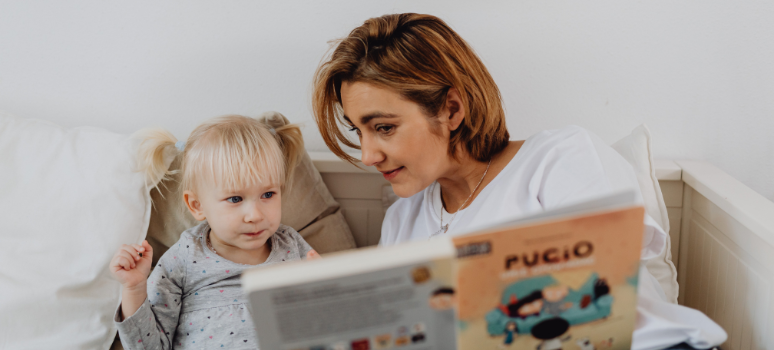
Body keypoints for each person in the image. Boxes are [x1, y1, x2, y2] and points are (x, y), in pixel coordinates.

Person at [312, 13, 726, 350]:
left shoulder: (561, 157)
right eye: (358, 132)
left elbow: (604, 286)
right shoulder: (402, 221)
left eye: (383, 128)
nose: (367, 155)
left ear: (451, 109)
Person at [109, 114, 319, 349]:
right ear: (197, 205)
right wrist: (135, 288)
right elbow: (150, 346)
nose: (255, 215)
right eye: (235, 198)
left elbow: (326, 323)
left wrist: (326, 287)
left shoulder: (292, 245)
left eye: (268, 195)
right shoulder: (184, 259)